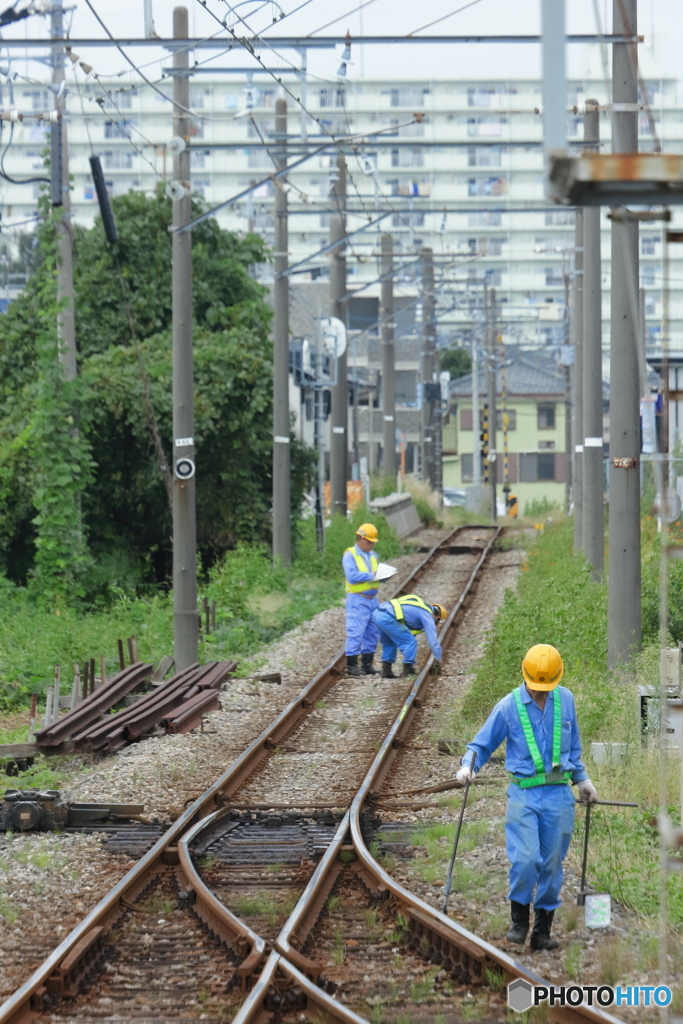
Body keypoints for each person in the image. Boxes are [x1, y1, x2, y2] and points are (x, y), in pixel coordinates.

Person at [456, 644, 598, 952]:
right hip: (524, 794)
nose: (540, 693)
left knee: (551, 864)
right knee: (526, 859)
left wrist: (582, 779)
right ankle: (519, 920)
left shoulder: (567, 700)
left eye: (545, 688)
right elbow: (480, 745)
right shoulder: (508, 707)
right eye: (536, 688)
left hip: (560, 794)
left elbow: (572, 748)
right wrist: (467, 765)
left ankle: (542, 932)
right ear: (526, 676)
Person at [373, 594, 448, 678]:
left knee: (389, 643)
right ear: (437, 617)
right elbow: (432, 640)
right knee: (410, 642)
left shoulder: (418, 607)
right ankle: (407, 671)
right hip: (388, 618)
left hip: (378, 614)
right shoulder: (427, 615)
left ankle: (386, 671)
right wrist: (438, 657)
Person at [342, 523, 381, 677]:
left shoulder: (373, 556)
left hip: (372, 599)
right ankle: (351, 666)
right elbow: (352, 576)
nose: (371, 544)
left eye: (373, 542)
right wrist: (373, 575)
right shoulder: (350, 555)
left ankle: (367, 664)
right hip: (357, 599)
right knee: (356, 632)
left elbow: (377, 574)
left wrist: (384, 576)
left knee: (373, 632)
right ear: (359, 538)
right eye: (369, 541)